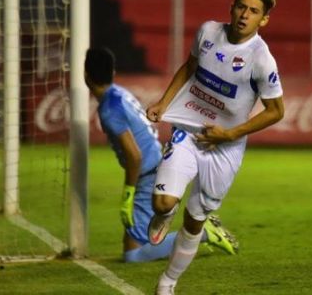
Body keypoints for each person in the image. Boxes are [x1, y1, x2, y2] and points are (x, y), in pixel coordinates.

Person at [145, 0, 285, 294]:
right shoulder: (208, 32)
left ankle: (167, 283)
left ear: (263, 20)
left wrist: (230, 134)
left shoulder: (262, 60)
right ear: (231, 8)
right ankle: (165, 213)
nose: (244, 15)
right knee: (163, 201)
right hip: (189, 129)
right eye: (241, 7)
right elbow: (189, 67)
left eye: (253, 11)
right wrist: (163, 103)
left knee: (194, 221)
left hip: (225, 148)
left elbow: (276, 111)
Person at [84, 47, 239, 263]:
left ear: (86, 76)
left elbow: (134, 156)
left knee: (133, 255)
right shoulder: (120, 94)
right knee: (133, 244)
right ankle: (200, 231)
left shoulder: (109, 110)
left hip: (147, 173)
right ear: (112, 73)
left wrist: (128, 195)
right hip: (154, 164)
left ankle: (203, 232)